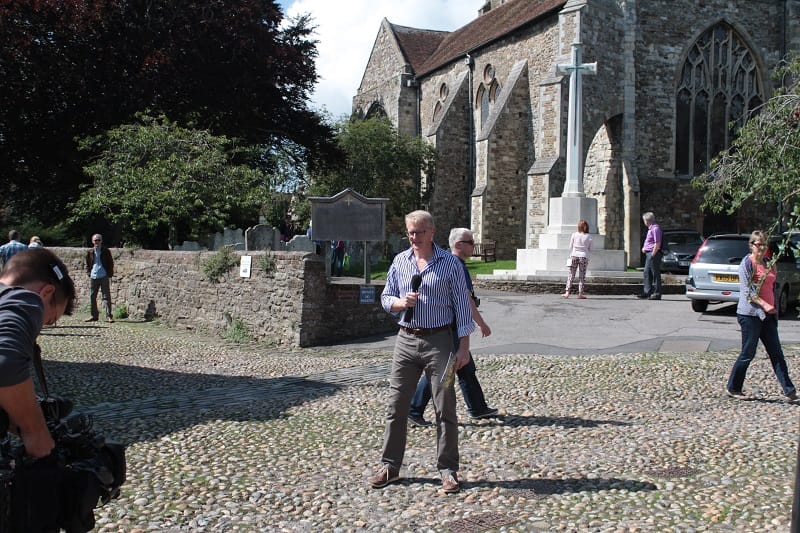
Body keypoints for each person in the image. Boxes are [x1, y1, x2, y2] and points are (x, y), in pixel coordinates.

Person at [369, 210, 474, 494]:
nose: (414, 238)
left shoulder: (450, 264)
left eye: (419, 232)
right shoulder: (400, 261)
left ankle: (448, 469)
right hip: (405, 340)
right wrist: (401, 303)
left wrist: (463, 347)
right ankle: (390, 466)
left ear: (431, 232)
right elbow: (386, 297)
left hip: (440, 342)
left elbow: (462, 309)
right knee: (396, 405)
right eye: (410, 233)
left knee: (445, 405)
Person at [408, 227, 498, 426]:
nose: (474, 246)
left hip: (451, 328)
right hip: (450, 330)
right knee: (444, 372)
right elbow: (466, 299)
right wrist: (481, 323)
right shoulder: (455, 265)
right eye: (470, 242)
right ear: (458, 245)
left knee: (465, 368)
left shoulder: (451, 263)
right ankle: (414, 409)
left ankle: (477, 407)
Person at [0, 248, 76, 458]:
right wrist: (35, 430)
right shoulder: (25, 299)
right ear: (47, 293)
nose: (40, 327)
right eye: (49, 320)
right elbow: (5, 362)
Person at [726, 230, 797, 402]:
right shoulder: (746, 264)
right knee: (748, 353)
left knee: (776, 353)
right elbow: (748, 292)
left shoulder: (769, 262)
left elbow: (772, 286)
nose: (763, 248)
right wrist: (765, 306)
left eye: (765, 244)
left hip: (769, 316)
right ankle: (733, 387)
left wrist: (774, 307)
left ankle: (789, 391)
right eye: (759, 244)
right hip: (750, 315)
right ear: (752, 245)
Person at [85, 233, 115, 323]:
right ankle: (94, 315)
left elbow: (110, 263)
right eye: (95, 240)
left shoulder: (106, 251)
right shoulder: (90, 252)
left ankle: (109, 316)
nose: (97, 242)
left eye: (98, 240)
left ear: (101, 241)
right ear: (92, 241)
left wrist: (109, 273)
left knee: (106, 296)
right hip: (94, 276)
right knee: (92, 296)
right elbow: (87, 263)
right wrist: (89, 273)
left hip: (104, 275)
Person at [563, 219, 593, 299]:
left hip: (574, 255)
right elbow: (590, 248)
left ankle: (567, 292)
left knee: (571, 274)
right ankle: (580, 293)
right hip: (584, 256)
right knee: (582, 275)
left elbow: (570, 246)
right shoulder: (589, 236)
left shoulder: (574, 234)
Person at [637, 212, 663, 300]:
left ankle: (657, 293)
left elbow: (657, 242)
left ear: (647, 221)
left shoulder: (655, 229)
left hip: (653, 253)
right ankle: (646, 292)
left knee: (655, 273)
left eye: (644, 220)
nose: (644, 222)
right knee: (647, 273)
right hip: (649, 253)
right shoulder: (650, 229)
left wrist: (653, 254)